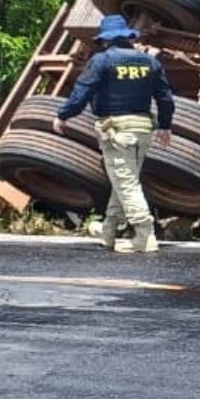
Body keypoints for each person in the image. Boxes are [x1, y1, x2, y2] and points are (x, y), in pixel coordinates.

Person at [52, 14, 175, 253]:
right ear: (128, 37)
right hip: (143, 131)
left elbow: (82, 92)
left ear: (105, 40)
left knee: (126, 182)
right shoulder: (149, 62)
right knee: (125, 179)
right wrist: (165, 126)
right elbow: (165, 98)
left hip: (116, 132)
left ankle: (145, 234)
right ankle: (109, 231)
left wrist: (63, 115)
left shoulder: (102, 61)